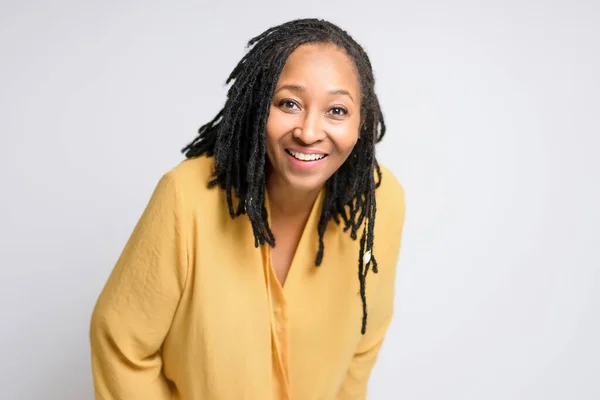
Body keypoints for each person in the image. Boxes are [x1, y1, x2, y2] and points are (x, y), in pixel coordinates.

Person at [90, 18, 406, 400]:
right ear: (259, 107)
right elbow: (122, 343)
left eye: (336, 110)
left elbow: (364, 342)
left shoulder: (380, 201)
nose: (308, 131)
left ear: (362, 122)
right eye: (289, 103)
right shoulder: (186, 197)